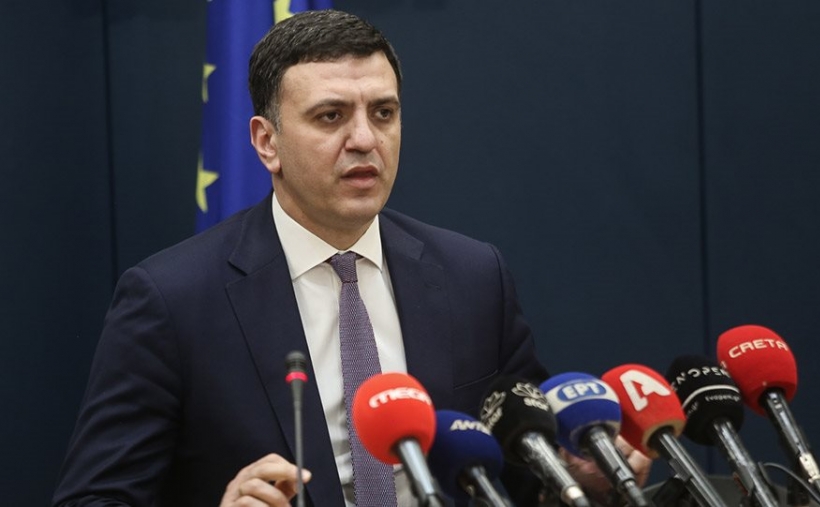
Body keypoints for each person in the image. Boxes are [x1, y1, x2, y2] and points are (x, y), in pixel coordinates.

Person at [53, 9, 649, 507]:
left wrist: (585, 475)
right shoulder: (172, 299)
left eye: (383, 113)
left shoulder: (472, 277)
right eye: (331, 116)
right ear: (266, 142)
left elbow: (525, 466)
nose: (364, 139)